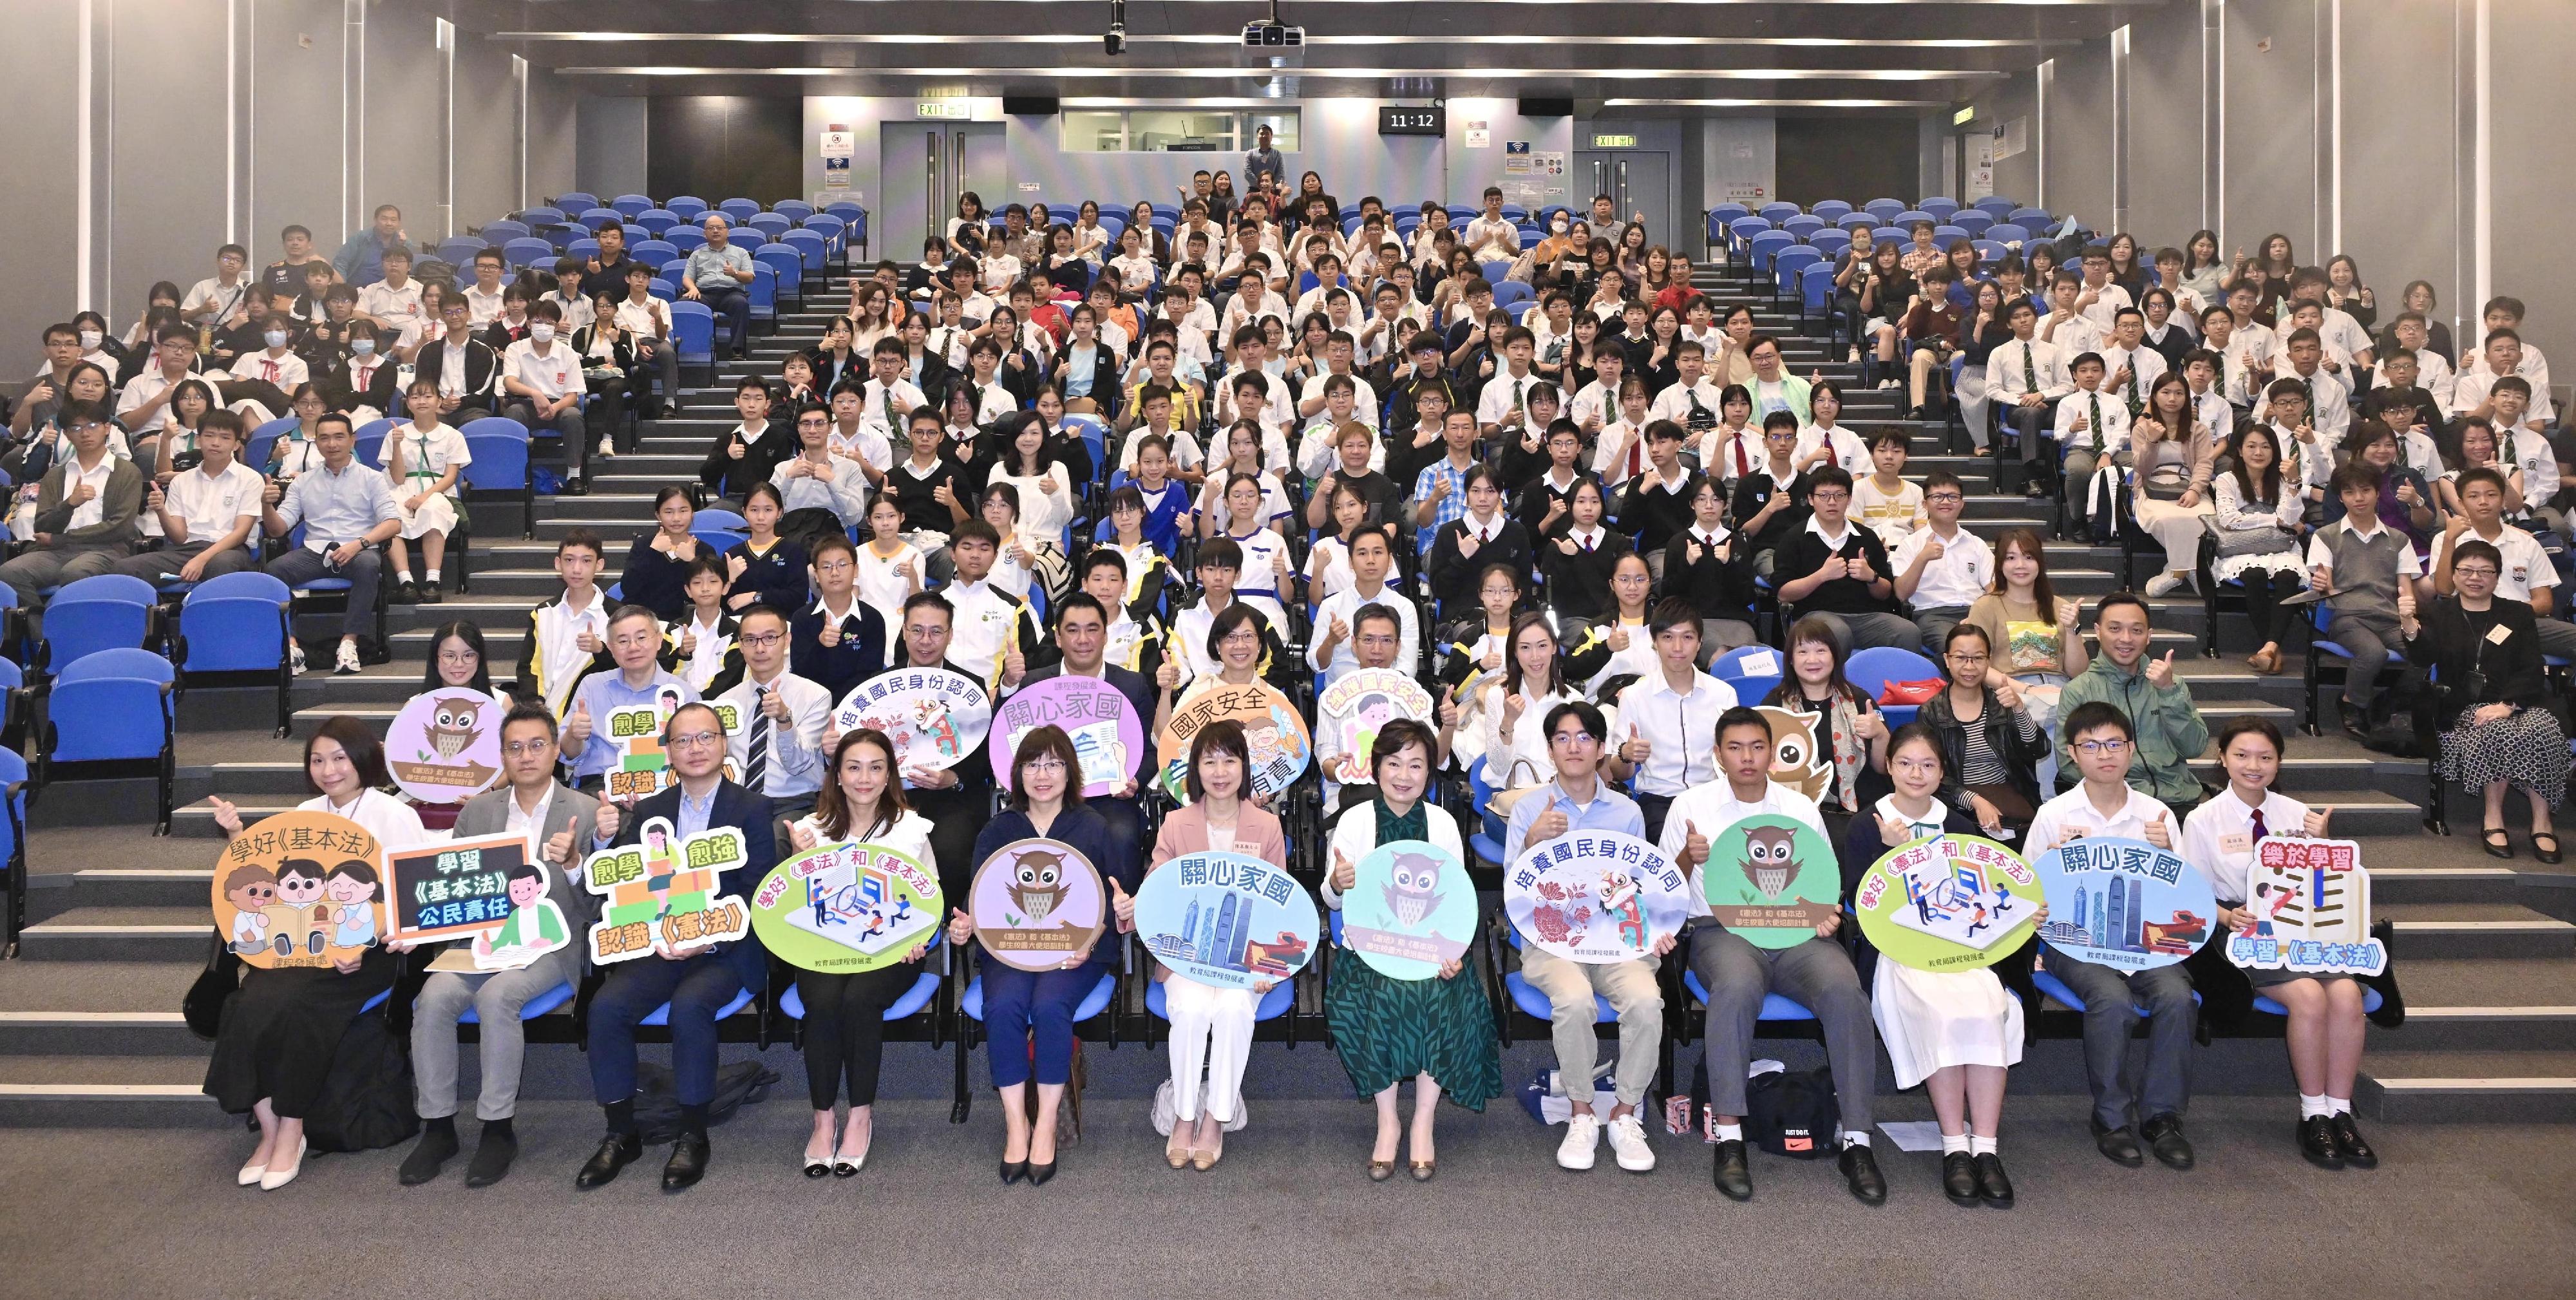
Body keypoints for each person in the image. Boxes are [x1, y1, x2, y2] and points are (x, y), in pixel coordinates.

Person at [1665, 705, 1886, 1203]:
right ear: (1719, 754)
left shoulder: (1799, 807)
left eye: (1757, 747)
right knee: (1737, 986)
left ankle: (1857, 1137)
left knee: (1845, 989)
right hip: (1720, 932)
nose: (1747, 757)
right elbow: (1664, 892)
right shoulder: (1690, 806)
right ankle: (1729, 1135)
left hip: (1796, 933)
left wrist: (1827, 915)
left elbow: (1823, 886)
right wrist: (1686, 857)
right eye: (1736, 747)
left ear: (1771, 752)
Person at [203, 718, 424, 1190]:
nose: (329, 769)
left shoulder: (394, 814)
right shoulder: (305, 813)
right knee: (243, 1003)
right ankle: (267, 1130)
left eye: (340, 757)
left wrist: (361, 946)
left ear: (364, 758)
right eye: (318, 759)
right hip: (301, 946)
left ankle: (293, 1125)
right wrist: (238, 837)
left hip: (367, 952)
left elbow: (411, 896)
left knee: (300, 1006)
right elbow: (272, 890)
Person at [398, 702, 603, 1187]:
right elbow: (457, 889)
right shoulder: (479, 810)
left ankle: (496, 1127)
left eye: (537, 745)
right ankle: (439, 1124)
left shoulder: (587, 811)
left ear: (556, 749)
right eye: (515, 747)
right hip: (485, 940)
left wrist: (574, 861)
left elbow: (597, 906)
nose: (526, 756)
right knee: (432, 998)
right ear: (502, 755)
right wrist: (419, 927)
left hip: (550, 943)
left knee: (497, 997)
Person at [574, 701, 776, 1192]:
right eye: (683, 740)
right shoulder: (649, 811)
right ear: (668, 751)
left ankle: (693, 1133)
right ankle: (622, 1132)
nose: (695, 748)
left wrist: (706, 932)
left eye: (705, 737)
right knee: (607, 1007)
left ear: (723, 743)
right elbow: (621, 886)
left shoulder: (752, 808)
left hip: (727, 946)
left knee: (690, 1008)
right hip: (661, 946)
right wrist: (603, 844)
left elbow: (757, 891)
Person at [2180, 716, 2375, 1167]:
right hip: (2241, 931)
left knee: (2346, 995)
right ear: (2223, 760)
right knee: (2308, 996)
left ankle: (2340, 1112)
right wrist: (2229, 914)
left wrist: (2324, 845)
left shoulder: (2295, 813)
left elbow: (2330, 886)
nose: (2254, 765)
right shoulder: (2202, 819)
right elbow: (2189, 895)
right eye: (2242, 755)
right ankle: (2312, 1116)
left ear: (2279, 762)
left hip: (2304, 930)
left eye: (2265, 756)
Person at [1843, 724, 2025, 1206]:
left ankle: (1985, 1147)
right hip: (1896, 952)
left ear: (1943, 771)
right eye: (1905, 763)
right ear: (1889, 767)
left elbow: (1987, 897)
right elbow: (1860, 905)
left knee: (1987, 1008)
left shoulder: (1959, 826)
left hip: (1959, 950)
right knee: (1943, 1014)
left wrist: (2024, 910)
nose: (1916, 773)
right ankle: (1953, 1147)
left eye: (1927, 764)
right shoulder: (1866, 824)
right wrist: (1892, 851)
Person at [947, 726, 1133, 1186]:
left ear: (1070, 771)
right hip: (1010, 948)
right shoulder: (999, 829)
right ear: (1018, 773)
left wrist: (1103, 927)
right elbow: (980, 899)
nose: (1043, 774)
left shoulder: (1092, 825)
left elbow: (1111, 900)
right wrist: (964, 926)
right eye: (1033, 764)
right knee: (1004, 1005)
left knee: (1051, 1005)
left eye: (1054, 763)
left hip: (1077, 950)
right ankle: (1016, 1122)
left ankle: (1046, 1120)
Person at [1321, 719, 1501, 1182]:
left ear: (1430, 772)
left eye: (1416, 764)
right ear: (1376, 767)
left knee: (1441, 995)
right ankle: (1388, 1120)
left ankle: (1423, 1119)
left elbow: (1457, 903)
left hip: (1430, 951)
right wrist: (1338, 883)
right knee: (1375, 995)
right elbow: (1332, 898)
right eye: (1394, 762)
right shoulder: (1354, 820)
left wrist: (1454, 952)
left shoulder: (1441, 823)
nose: (1404, 774)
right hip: (1369, 948)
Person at [2027, 699, 2197, 1171]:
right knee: (2113, 1000)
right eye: (2091, 745)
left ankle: (2162, 1116)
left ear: (2131, 748)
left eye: (2115, 744)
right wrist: (2051, 878)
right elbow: (2028, 891)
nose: (2105, 754)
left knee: (2178, 997)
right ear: (2072, 753)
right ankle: (2111, 1118)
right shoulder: (2054, 815)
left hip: (2146, 940)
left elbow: (2185, 898)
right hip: (2074, 941)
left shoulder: (2157, 815)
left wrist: (2169, 856)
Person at [1113, 721, 1289, 1169]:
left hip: (1245, 957)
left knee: (1232, 1011)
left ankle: (1216, 1117)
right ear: (1195, 769)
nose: (1220, 770)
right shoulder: (1176, 823)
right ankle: (1185, 1117)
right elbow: (1157, 889)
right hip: (1186, 954)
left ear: (1244, 767)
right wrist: (1131, 908)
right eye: (1209, 760)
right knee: (1191, 1011)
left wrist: (1270, 966)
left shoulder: (1267, 827)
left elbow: (1280, 906)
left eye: (1230, 759)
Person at [1500, 701, 1667, 1175]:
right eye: (1562, 738)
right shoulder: (1530, 808)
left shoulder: (1627, 811)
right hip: (1552, 939)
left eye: (1584, 738)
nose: (1574, 746)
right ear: (1550, 749)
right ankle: (1581, 1110)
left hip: (1614, 939)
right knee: (1574, 1001)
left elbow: (1636, 885)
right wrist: (1534, 840)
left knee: (1645, 1001)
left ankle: (1625, 1112)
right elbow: (1515, 893)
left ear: (1600, 749)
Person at [782, 728, 937, 1176]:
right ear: (838, 774)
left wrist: (919, 940)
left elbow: (930, 897)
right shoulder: (810, 830)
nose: (864, 777)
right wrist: (797, 861)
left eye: (876, 767)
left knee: (858, 999)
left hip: (893, 947)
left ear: (890, 774)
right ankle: (823, 1116)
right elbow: (789, 907)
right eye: (854, 767)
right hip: (824, 945)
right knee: (825, 1000)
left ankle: (861, 1114)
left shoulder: (911, 828)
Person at [2411, 538, 2567, 861]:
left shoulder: (2518, 614)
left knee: (2544, 729)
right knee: (2498, 730)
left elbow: (2530, 667)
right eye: (2466, 570)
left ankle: (2542, 821)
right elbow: (2423, 656)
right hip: (2465, 708)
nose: (2475, 577)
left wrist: (2507, 705)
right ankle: (2493, 817)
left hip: (2518, 703)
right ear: (2453, 575)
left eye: (2485, 571)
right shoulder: (2439, 613)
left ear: (2497, 577)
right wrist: (2409, 628)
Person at [258, 411, 401, 675]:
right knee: (273, 572)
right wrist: (267, 506)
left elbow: (393, 523)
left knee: (369, 565)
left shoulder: (372, 478)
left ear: (352, 440)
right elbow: (278, 528)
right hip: (314, 552)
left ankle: (349, 643)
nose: (332, 444)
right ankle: (292, 646)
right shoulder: (303, 481)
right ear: (317, 441)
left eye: (339, 437)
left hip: (357, 550)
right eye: (324, 438)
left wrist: (359, 544)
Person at [2306, 462, 2425, 739]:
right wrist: (2321, 584)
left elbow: (2405, 589)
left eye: (2365, 490)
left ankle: (2388, 703)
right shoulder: (2326, 536)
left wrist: (2410, 619)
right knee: (2373, 654)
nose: (2358, 498)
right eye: (2349, 492)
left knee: (2426, 656)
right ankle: (2352, 703)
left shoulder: (2399, 539)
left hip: (2390, 618)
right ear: (2340, 497)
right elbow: (2326, 585)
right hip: (2349, 617)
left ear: (2378, 492)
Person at [2054, 593, 2209, 805]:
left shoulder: (2170, 684)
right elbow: (2068, 763)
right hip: (2115, 803)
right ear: (2098, 632)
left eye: (2136, 630)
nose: (2126, 639)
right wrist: (2130, 793)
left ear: (2148, 636)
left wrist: (2168, 693)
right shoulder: (2079, 691)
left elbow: (2194, 747)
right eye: (2115, 629)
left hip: (2178, 798)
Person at [1605, 600, 1739, 842]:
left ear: (1699, 643)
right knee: (1671, 844)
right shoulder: (1636, 696)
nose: (1678, 647)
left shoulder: (1724, 694)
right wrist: (1627, 754)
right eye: (1668, 637)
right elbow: (1620, 772)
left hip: (1714, 798)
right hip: (1659, 801)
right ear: (1655, 643)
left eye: (1687, 637)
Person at [1759, 616, 1891, 837]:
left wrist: (1880, 735)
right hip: (1796, 817)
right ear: (1791, 660)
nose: (1812, 660)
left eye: (1821, 651)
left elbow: (1883, 769)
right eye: (1802, 652)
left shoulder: (1859, 700)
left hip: (1859, 813)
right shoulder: (1774, 705)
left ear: (1834, 657)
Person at [0, 400, 145, 596]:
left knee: (75, 572)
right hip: (56, 552)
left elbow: (120, 527)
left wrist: (59, 540)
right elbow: (42, 525)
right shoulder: (56, 475)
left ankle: (70, 624)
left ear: (107, 428)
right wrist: (69, 504)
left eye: (93, 426)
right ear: (67, 434)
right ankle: (40, 625)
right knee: (9, 573)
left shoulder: (127, 472)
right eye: (76, 428)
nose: (85, 433)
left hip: (105, 551)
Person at [710, 604, 833, 829]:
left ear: (787, 641)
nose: (759, 649)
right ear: (740, 646)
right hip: (737, 801)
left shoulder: (815, 696)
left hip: (793, 803)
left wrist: (784, 720)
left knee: (774, 844)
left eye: (769, 638)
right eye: (750, 640)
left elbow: (798, 765)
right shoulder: (725, 702)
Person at [1774, 466, 1920, 652]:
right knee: (1838, 632)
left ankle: (1895, 682)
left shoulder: (1867, 537)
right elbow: (1783, 593)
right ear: (1811, 499)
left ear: (1849, 499)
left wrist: (1871, 577)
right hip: (1815, 617)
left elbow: (1885, 593)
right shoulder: (1794, 538)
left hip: (1867, 618)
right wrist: (1822, 576)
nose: (1832, 502)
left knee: (1908, 632)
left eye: (1839, 495)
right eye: (1824, 495)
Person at [1919, 624, 2043, 837]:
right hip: (1955, 800)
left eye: (1978, 658)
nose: (1969, 666)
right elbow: (1931, 772)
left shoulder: (2002, 703)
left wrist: (2019, 708)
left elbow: (2037, 750)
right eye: (1960, 658)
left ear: (1989, 661)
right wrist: (1974, 800)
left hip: (2007, 794)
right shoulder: (1931, 712)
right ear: (1947, 660)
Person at [560, 603, 698, 793]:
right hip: (601, 787)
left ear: (659, 640)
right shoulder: (592, 686)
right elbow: (568, 754)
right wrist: (573, 736)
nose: (633, 647)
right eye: (623, 641)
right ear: (610, 647)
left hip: (664, 786)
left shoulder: (684, 695)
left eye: (641, 638)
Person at [116, 408, 261, 586]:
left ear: (237, 445)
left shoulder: (251, 479)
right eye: (209, 436)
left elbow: (240, 534)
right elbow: (179, 537)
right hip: (187, 550)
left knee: (220, 564)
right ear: (199, 440)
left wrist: (202, 559)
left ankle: (205, 611)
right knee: (124, 568)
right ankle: (156, 612)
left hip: (231, 550)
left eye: (225, 437)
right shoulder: (181, 481)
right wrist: (161, 511)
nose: (216, 443)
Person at [2210, 424, 2311, 674]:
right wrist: (2273, 520)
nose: (2258, 452)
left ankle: (2268, 649)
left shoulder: (2281, 480)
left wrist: (2294, 482)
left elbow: (2291, 517)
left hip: (2280, 547)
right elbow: (2228, 519)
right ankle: (2272, 649)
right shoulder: (2227, 479)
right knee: (2254, 574)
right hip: (2242, 548)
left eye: (2266, 446)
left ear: (2274, 451)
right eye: (2252, 446)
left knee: (2288, 576)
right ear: (2240, 451)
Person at [379, 379, 469, 602]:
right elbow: (398, 478)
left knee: (433, 509)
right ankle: (406, 582)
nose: (422, 401)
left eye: (428, 396)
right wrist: (397, 445)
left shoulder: (453, 435)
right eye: (415, 397)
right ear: (408, 403)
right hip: (401, 489)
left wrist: (423, 497)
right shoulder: (395, 434)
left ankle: (433, 581)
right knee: (391, 516)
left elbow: (451, 476)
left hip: (437, 490)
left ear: (439, 401)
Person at [2131, 371, 2218, 598]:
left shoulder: (2198, 429)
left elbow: (2204, 464)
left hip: (2190, 487)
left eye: (2179, 393)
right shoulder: (2142, 429)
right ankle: (2193, 572)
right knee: (2166, 518)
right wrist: (2151, 440)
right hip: (2153, 489)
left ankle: (2176, 572)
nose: (2172, 398)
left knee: (2205, 519)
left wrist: (2195, 490)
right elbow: (2142, 469)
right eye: (2166, 392)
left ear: (2187, 398)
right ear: (2155, 397)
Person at [1890, 469, 1993, 652]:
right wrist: (1922, 559)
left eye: (1953, 497)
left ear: (1962, 504)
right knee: (1959, 648)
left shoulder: (1976, 544)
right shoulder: (1911, 544)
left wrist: (1980, 614)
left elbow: (1993, 588)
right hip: (1933, 615)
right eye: (1937, 497)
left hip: (1976, 612)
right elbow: (1901, 593)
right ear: (1925, 503)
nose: (1946, 502)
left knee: (2001, 643)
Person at [515, 529, 611, 717]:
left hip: (588, 715)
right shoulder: (543, 612)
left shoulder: (616, 615)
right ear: (558, 563)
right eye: (569, 560)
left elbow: (627, 670)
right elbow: (528, 666)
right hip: (541, 713)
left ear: (599, 565)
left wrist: (601, 650)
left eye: (586, 561)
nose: (577, 569)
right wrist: (535, 703)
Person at [620, 486, 710, 622]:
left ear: (693, 513)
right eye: (669, 512)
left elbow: (708, 595)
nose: (676, 518)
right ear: (658, 515)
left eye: (683, 511)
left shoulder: (705, 550)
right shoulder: (644, 545)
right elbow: (628, 588)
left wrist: (693, 562)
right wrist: (652, 553)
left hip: (685, 623)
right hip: (642, 622)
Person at [681, 214, 756, 360]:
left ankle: (737, 350)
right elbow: (687, 278)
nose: (715, 231)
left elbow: (750, 277)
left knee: (741, 304)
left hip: (731, 293)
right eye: (711, 228)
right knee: (683, 304)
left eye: (719, 228)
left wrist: (734, 272)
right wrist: (692, 288)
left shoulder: (740, 252)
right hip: (704, 294)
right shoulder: (696, 255)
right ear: (705, 234)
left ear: (727, 232)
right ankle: (690, 349)